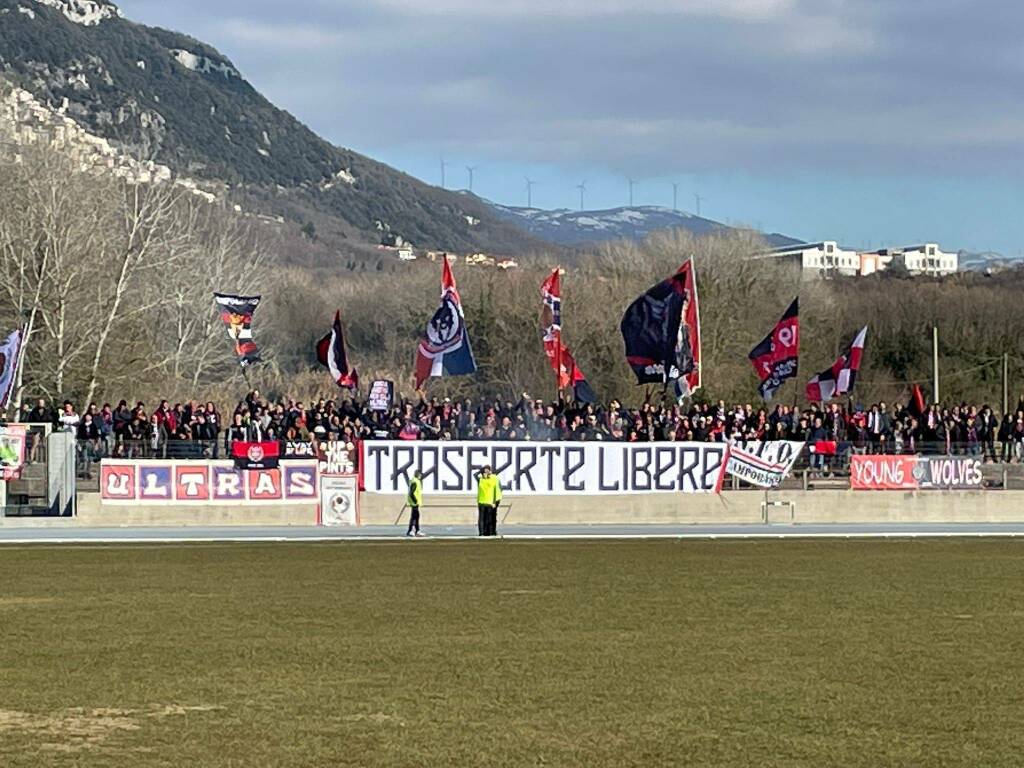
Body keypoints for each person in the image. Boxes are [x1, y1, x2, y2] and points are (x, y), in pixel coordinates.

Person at [476, 465, 503, 537]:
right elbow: (499, 488)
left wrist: (481, 471)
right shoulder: (493, 478)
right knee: (491, 517)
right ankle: (490, 532)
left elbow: (475, 475)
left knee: (484, 518)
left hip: (486, 500)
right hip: (492, 500)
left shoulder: (481, 479)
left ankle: (484, 532)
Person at [406, 470, 424, 537]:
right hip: (414, 503)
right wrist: (415, 501)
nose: (421, 476)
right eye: (420, 474)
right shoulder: (415, 481)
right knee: (414, 517)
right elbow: (412, 493)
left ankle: (417, 530)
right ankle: (410, 531)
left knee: (416, 516)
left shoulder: (417, 481)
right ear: (418, 474)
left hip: (415, 503)